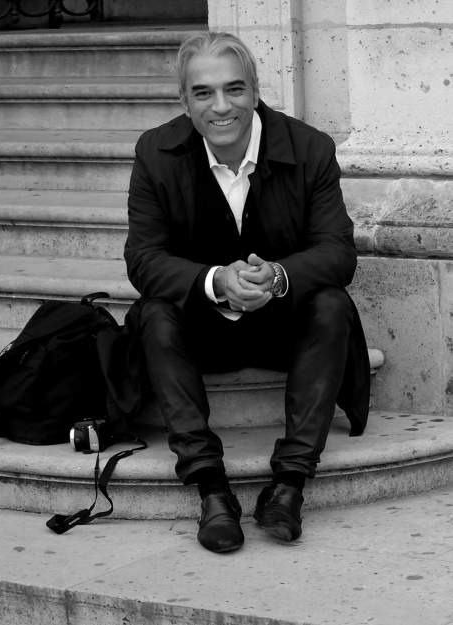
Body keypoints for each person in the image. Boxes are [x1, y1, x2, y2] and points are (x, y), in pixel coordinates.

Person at [124, 31, 370, 553]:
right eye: (203, 92)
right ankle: (211, 488)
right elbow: (143, 260)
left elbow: (338, 252)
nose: (221, 106)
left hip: (286, 329)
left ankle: (289, 484)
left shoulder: (310, 148)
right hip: (203, 330)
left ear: (255, 90)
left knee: (332, 303)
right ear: (185, 101)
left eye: (234, 89)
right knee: (154, 313)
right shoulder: (155, 152)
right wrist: (215, 280)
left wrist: (278, 276)